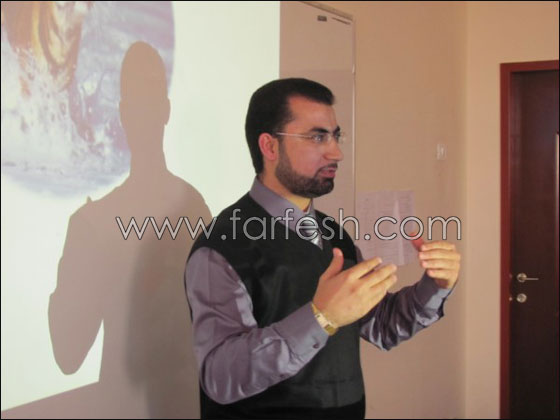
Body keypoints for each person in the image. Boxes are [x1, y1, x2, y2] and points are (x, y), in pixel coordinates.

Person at [184, 78, 461, 419]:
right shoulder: (222, 247)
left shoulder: (335, 235)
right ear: (269, 146)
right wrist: (321, 318)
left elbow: (381, 325)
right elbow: (221, 377)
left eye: (335, 136)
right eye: (317, 137)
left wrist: (434, 285)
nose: (336, 153)